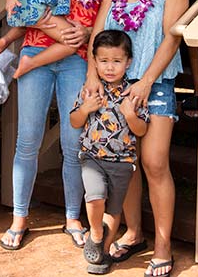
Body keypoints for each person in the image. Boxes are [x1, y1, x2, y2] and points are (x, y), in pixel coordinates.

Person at [0, 0, 121, 251]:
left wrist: (91, 58)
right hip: (38, 44)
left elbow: (104, 14)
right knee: (27, 140)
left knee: (73, 144)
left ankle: (72, 217)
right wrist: (6, 41)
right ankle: (19, 217)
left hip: (78, 58)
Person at [86, 0, 188, 277]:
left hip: (155, 83)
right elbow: (98, 33)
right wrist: (91, 76)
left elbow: (172, 37)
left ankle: (164, 246)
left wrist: (145, 81)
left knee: (154, 161)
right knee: (123, 164)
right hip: (114, 84)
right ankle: (134, 233)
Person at [70, 30, 148, 275]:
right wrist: (85, 110)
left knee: (114, 210)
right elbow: (74, 121)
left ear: (128, 62)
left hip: (122, 162)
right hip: (92, 157)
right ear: (94, 62)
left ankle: (101, 252)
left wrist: (129, 114)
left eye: (116, 61)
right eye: (103, 61)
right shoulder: (90, 90)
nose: (110, 67)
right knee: (94, 197)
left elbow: (142, 129)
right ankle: (95, 233)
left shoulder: (134, 94)